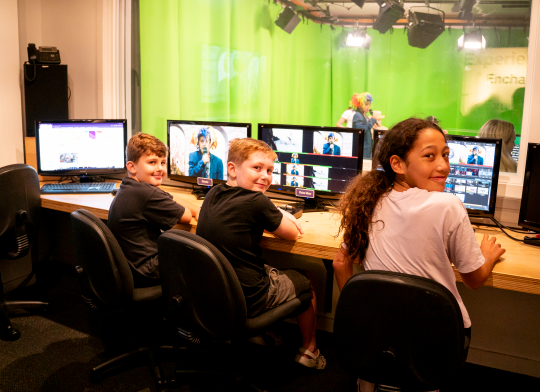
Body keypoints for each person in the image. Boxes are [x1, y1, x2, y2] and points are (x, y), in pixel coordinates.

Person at [332, 118, 505, 392]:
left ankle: (372, 380)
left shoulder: (368, 201)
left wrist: (361, 315)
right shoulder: (448, 205)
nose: (443, 166)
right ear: (398, 164)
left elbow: (340, 262)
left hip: (377, 334)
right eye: (430, 156)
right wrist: (488, 255)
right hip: (432, 340)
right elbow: (474, 280)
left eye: (446, 155)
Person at [196, 138, 325, 370]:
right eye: (257, 168)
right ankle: (310, 352)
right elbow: (293, 233)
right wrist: (279, 211)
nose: (265, 176)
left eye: (269, 171)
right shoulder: (256, 201)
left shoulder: (214, 192)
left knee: (262, 265)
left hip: (212, 292)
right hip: (249, 297)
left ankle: (261, 335)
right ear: (233, 169)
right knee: (305, 277)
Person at [108, 133, 200, 288]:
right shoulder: (146, 193)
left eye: (163, 163)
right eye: (152, 162)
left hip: (130, 267)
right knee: (200, 255)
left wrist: (195, 208)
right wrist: (196, 210)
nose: (160, 169)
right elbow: (185, 215)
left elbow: (169, 198)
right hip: (146, 270)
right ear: (132, 166)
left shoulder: (130, 186)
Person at [337, 92, 379, 159]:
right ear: (360, 105)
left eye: (369, 104)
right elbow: (361, 130)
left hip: (366, 147)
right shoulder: (357, 115)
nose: (368, 106)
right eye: (366, 104)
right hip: (363, 148)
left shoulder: (363, 115)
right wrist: (371, 121)